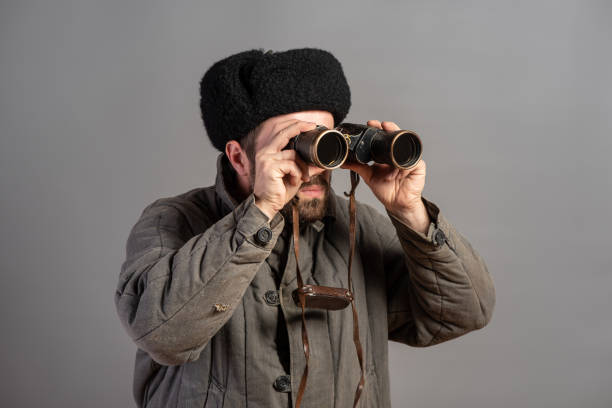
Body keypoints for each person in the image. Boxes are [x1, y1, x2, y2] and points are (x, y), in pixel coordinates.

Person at [115, 47, 496, 408]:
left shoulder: (356, 226)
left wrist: (410, 211)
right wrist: (261, 211)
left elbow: (464, 313)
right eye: (295, 145)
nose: (315, 168)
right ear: (238, 158)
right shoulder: (173, 221)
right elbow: (162, 334)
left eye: (325, 143)